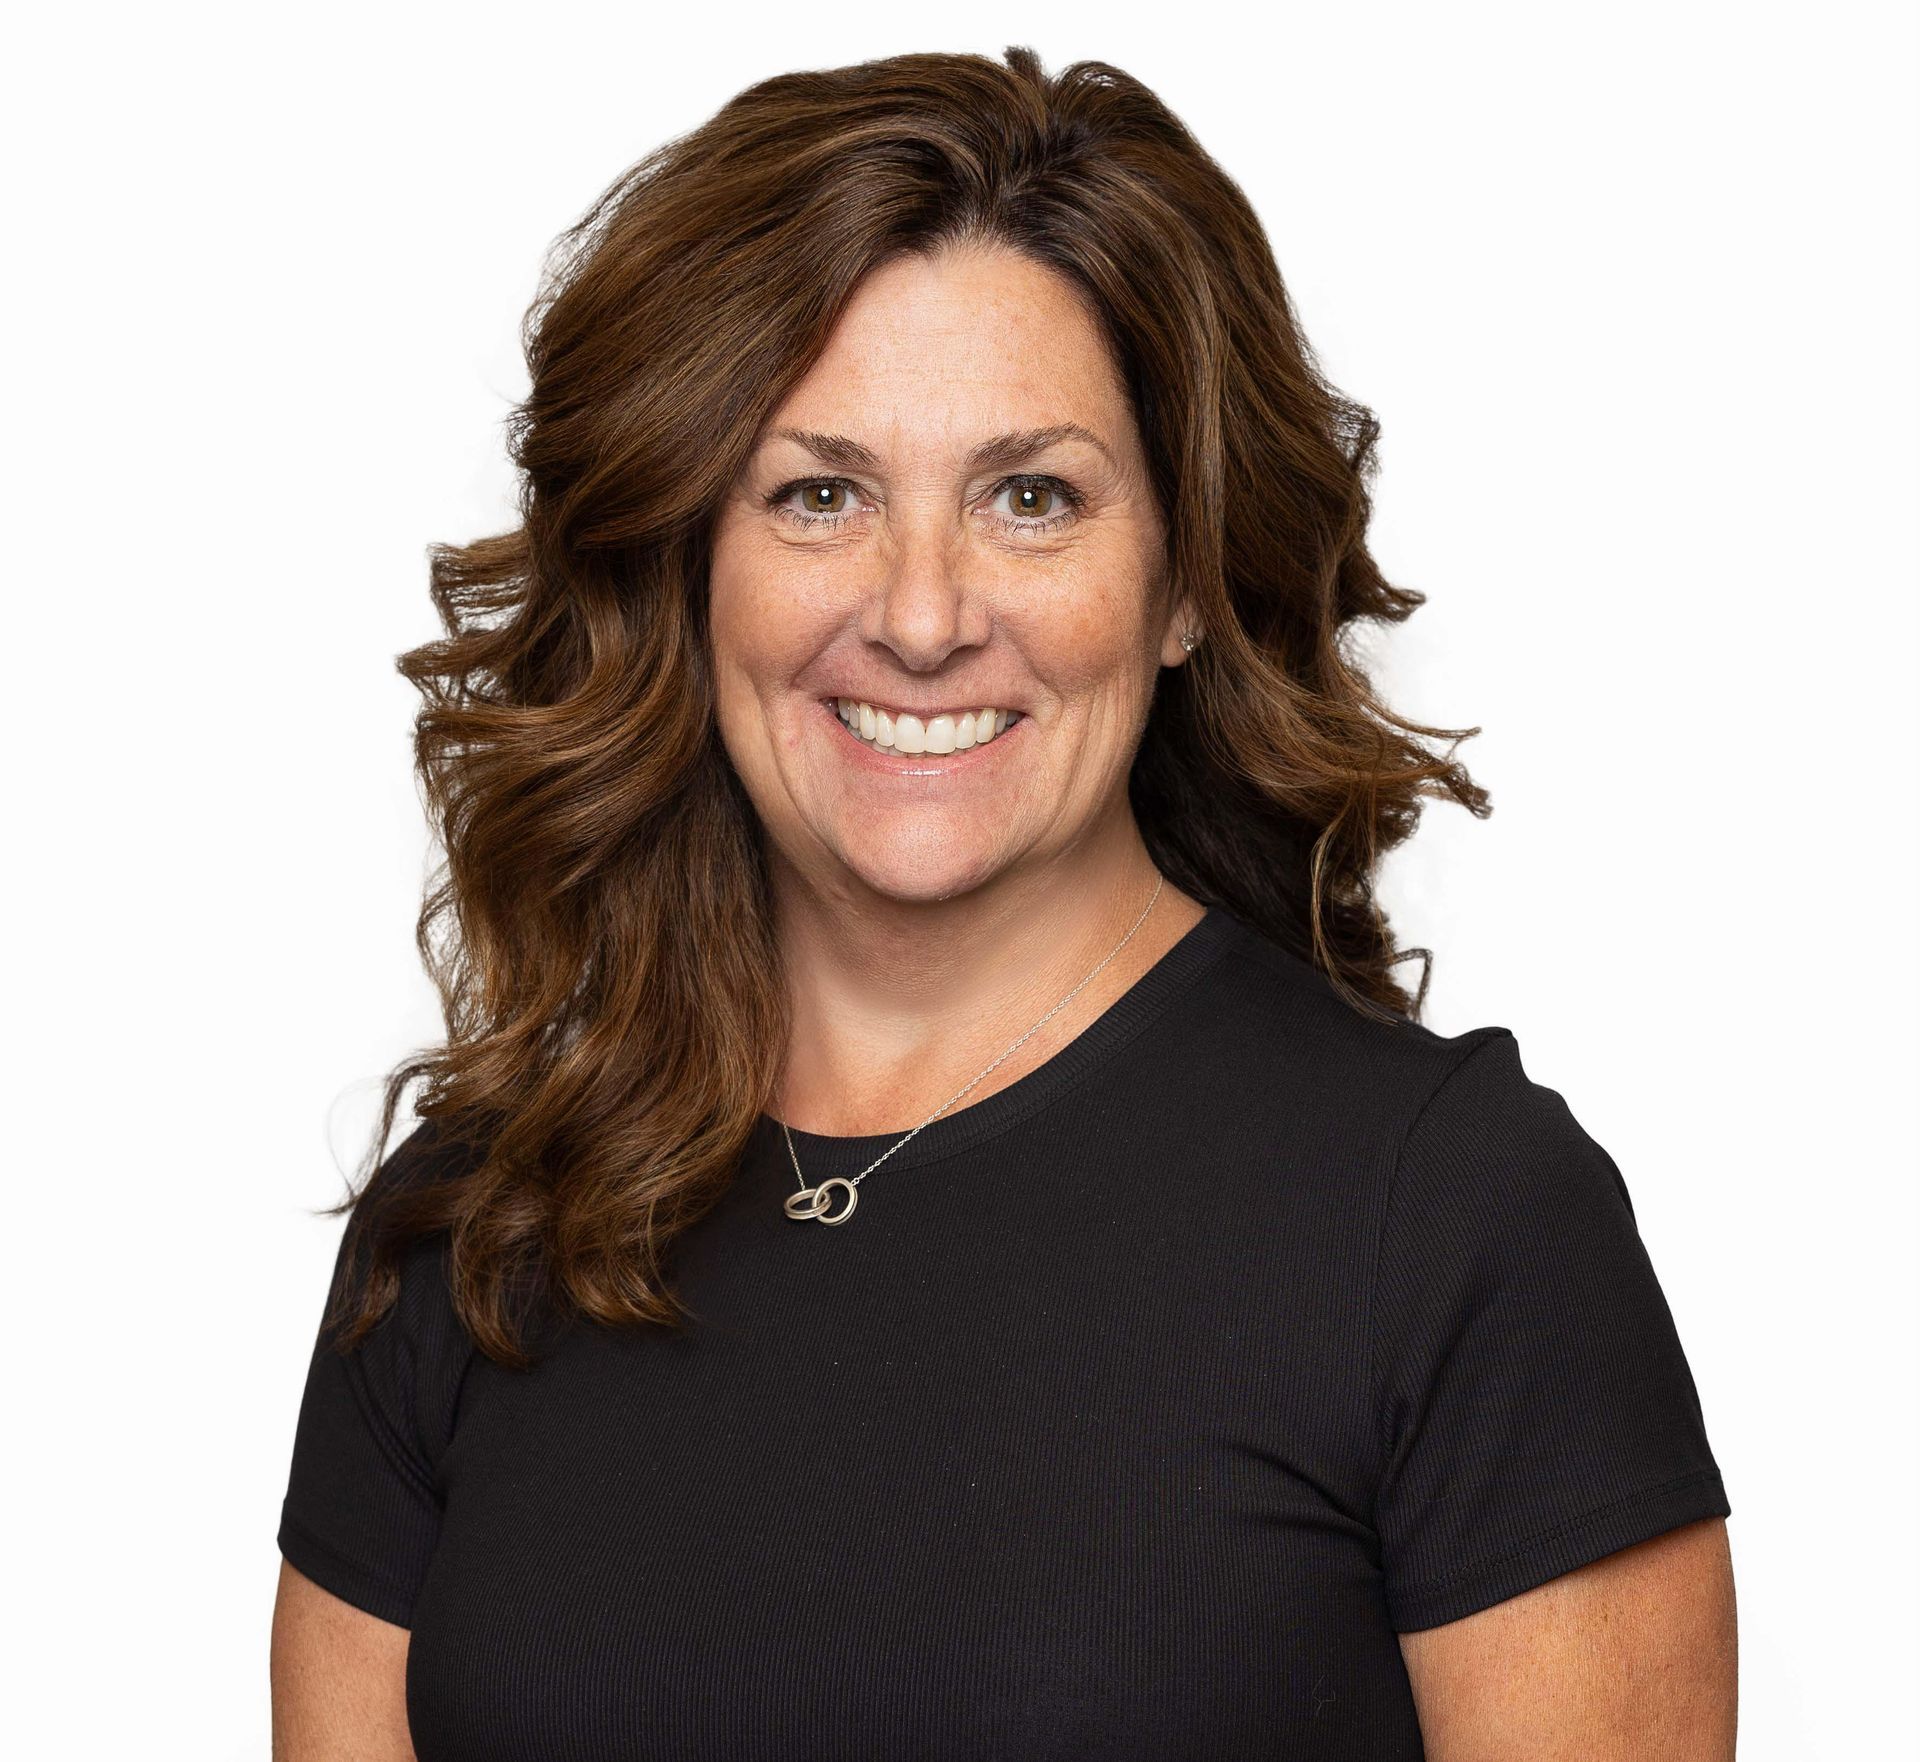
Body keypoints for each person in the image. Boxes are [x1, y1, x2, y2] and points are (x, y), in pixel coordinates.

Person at [270, 45, 1737, 1761]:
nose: (919, 613)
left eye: (1030, 496)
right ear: (689, 563)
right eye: (819, 493)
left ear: (1185, 578)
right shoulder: (475, 1228)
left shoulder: (1458, 1224)